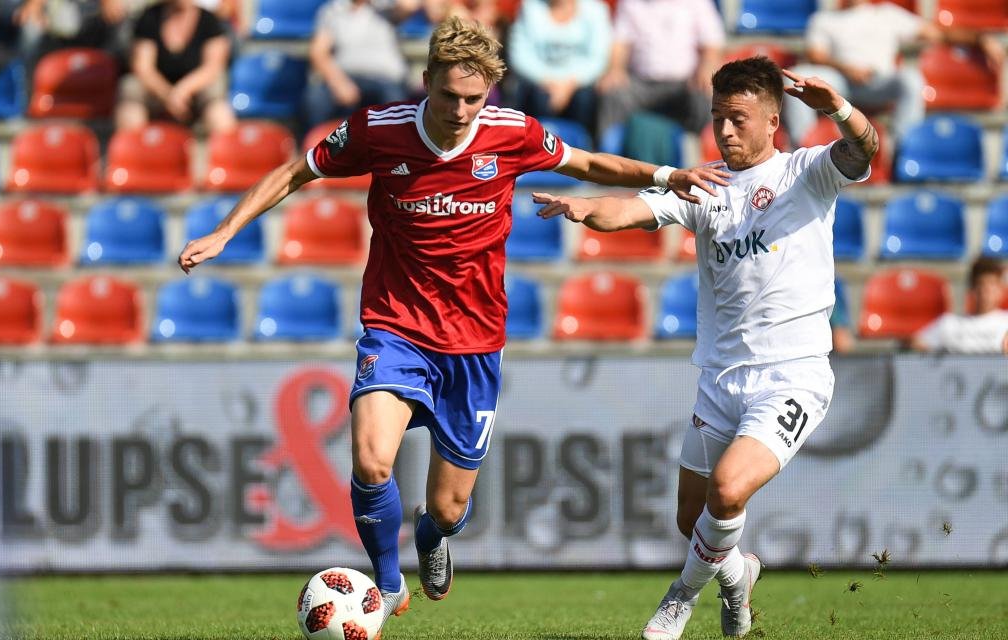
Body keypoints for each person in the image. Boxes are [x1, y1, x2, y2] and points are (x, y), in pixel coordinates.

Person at [178, 16, 727, 635]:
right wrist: (225, 231)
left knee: (449, 503)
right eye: (449, 96)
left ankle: (432, 534)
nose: (462, 109)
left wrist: (666, 175)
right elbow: (294, 171)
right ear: (425, 83)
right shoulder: (377, 132)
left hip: (474, 344)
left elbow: (588, 162)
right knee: (370, 457)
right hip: (395, 326)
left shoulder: (511, 133)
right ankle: (387, 584)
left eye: (474, 98)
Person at [533, 56, 877, 639]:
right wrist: (591, 209)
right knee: (691, 519)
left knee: (727, 490)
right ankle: (739, 575)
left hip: (792, 375)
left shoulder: (807, 171)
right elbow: (636, 210)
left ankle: (680, 598)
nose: (724, 131)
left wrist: (838, 108)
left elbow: (864, 149)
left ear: (773, 121)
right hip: (719, 378)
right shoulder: (704, 185)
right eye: (717, 118)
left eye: (738, 119)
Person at [783, 0, 1004, 146]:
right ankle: (803, 147)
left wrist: (979, 39)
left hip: (880, 82)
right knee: (798, 76)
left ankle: (903, 147)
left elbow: (937, 34)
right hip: (839, 82)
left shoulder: (887, 14)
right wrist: (846, 68)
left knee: (911, 79)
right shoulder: (824, 19)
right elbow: (816, 55)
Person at [595, 0, 724, 136]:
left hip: (684, 84)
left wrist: (705, 68)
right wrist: (615, 69)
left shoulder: (697, 3)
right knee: (612, 94)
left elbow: (711, 45)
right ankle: (604, 153)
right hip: (640, 84)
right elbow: (620, 43)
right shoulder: (630, 3)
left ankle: (706, 152)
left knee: (706, 96)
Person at [114, 0, 236, 134]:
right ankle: (133, 150)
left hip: (194, 91)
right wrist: (168, 95)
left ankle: (228, 150)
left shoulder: (209, 21)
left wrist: (182, 91)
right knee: (130, 90)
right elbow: (143, 67)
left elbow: (212, 67)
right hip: (157, 90)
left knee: (217, 105)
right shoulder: (150, 17)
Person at [303, 0, 415, 128]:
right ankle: (317, 144)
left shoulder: (386, 7)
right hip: (346, 77)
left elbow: (409, 6)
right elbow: (319, 52)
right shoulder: (333, 10)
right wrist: (339, 83)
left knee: (394, 102)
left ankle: (397, 145)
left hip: (386, 79)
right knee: (316, 98)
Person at [506, 0, 611, 133]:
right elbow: (519, 56)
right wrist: (548, 82)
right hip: (538, 85)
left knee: (584, 100)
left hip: (580, 88)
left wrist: (569, 85)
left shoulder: (596, 10)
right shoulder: (529, 7)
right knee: (537, 98)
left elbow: (598, 59)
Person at [911, 257, 1008, 355]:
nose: (986, 291)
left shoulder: (1005, 323)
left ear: (1001, 290)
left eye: (992, 284)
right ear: (972, 288)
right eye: (981, 284)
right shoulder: (949, 324)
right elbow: (915, 345)